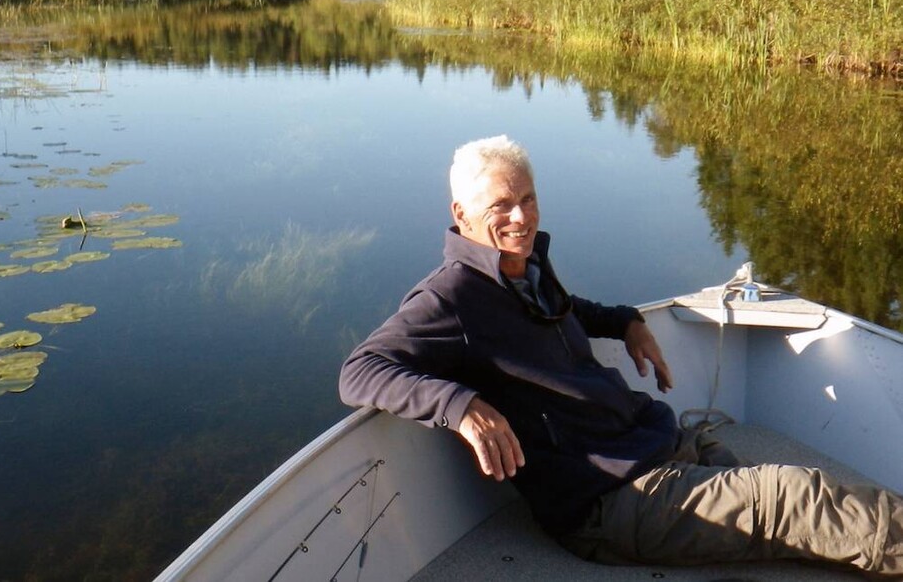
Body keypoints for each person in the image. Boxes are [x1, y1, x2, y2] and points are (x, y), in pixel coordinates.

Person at [339, 135, 903, 575]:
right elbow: (360, 371)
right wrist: (460, 406)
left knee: (781, 497)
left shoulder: (524, 268)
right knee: (796, 498)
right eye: (502, 205)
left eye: (529, 198)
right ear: (461, 214)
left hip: (650, 442)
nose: (522, 217)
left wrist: (624, 321)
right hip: (609, 501)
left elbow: (562, 310)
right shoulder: (450, 297)